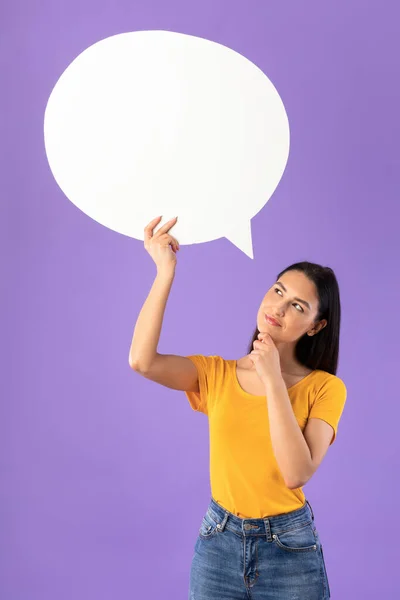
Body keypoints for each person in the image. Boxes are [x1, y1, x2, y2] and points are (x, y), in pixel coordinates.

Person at [129, 216, 347, 599]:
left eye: (297, 305)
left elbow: (296, 472)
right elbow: (142, 361)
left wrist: (273, 381)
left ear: (316, 326)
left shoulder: (325, 388)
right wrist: (165, 272)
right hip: (219, 543)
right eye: (278, 291)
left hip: (289, 551)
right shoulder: (218, 374)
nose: (278, 307)